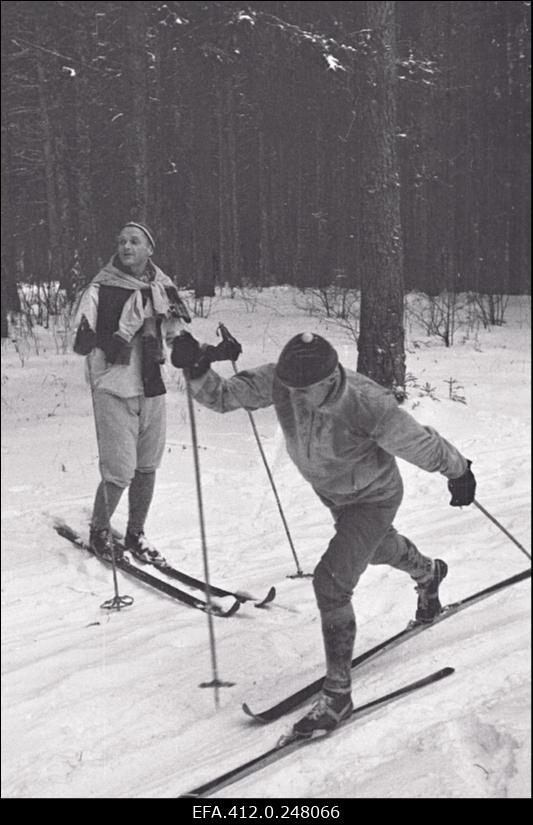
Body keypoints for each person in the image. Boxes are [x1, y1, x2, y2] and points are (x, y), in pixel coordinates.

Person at [170, 330, 476, 736]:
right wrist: (197, 369)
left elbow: (420, 444)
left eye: (306, 390)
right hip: (334, 494)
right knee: (376, 548)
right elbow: (227, 396)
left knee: (331, 582)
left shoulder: (367, 405)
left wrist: (459, 470)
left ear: (331, 379)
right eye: (291, 387)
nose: (295, 396)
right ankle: (428, 573)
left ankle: (338, 696)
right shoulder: (286, 379)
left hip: (374, 497)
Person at [72, 221, 191, 563]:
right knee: (120, 469)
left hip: (152, 385)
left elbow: (175, 331)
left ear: (149, 249)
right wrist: (98, 342)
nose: (126, 246)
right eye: (122, 241)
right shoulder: (100, 288)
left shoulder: (163, 287)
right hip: (114, 385)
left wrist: (191, 351)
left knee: (147, 466)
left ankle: (136, 533)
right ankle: (99, 531)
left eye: (135, 241)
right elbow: (82, 338)